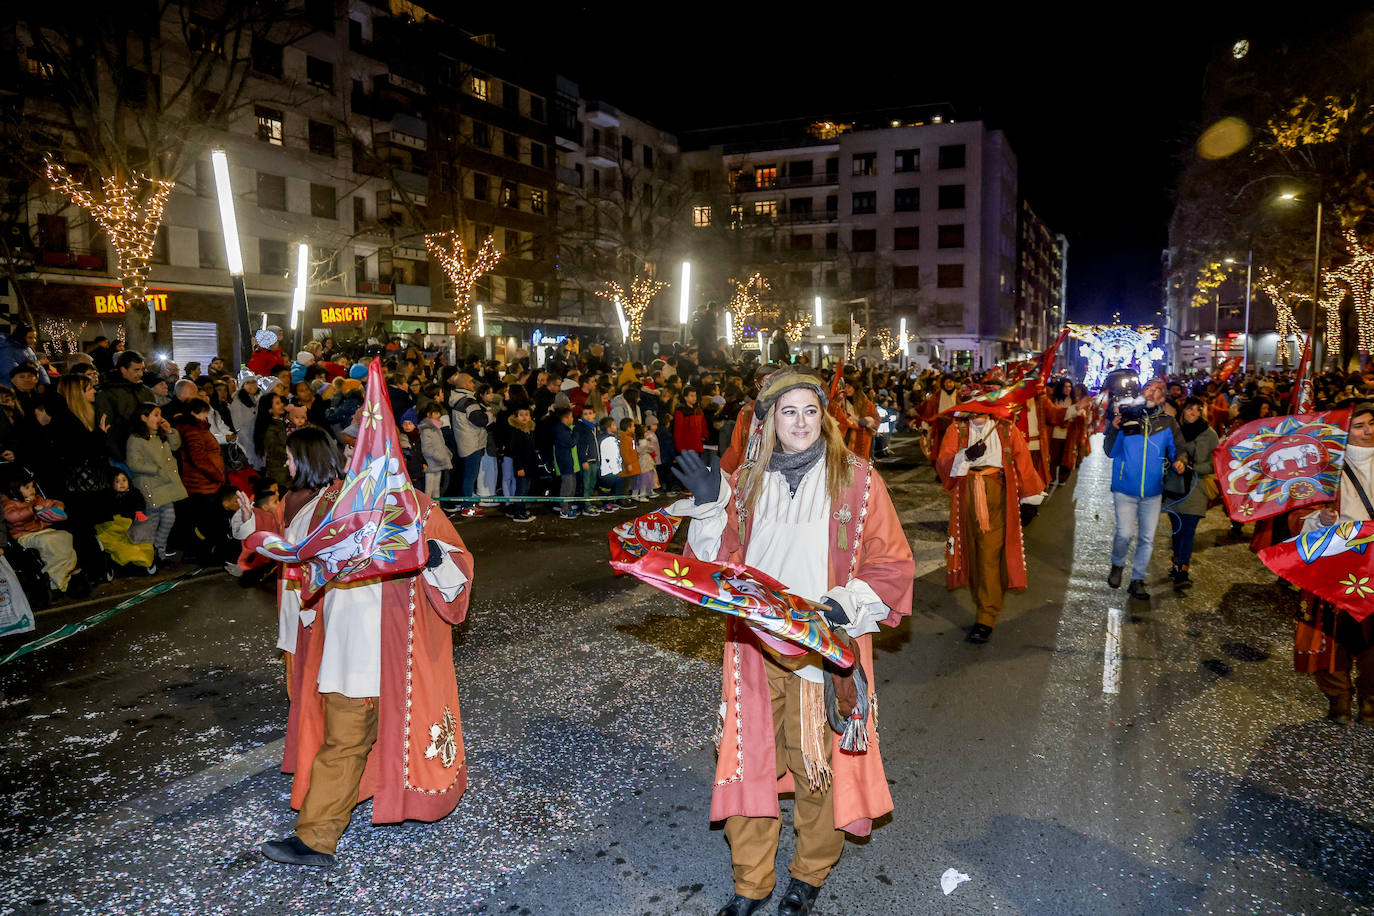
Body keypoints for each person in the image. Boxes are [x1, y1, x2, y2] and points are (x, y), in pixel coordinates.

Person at [670, 366, 913, 916]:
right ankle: (750, 883)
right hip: (754, 647)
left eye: (810, 411)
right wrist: (709, 508)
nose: (801, 422)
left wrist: (843, 604)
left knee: (816, 769)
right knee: (748, 762)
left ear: (824, 417)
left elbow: (891, 563)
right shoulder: (746, 483)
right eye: (788, 412)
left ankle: (808, 874)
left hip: (820, 648)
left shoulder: (857, 479)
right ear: (768, 420)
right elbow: (717, 568)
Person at [254, 426, 476, 866]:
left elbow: (459, 568)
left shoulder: (418, 507)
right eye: (352, 448)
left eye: (365, 447)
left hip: (394, 654)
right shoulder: (330, 505)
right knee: (344, 740)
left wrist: (431, 554)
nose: (357, 455)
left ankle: (323, 833)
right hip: (343, 649)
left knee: (368, 739)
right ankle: (317, 837)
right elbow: (297, 555)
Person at [936, 404, 1046, 643]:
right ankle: (984, 602)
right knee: (973, 554)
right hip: (967, 498)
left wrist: (1029, 498)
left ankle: (986, 616)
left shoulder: (1006, 429)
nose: (978, 412)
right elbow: (943, 462)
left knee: (989, 555)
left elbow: (1023, 462)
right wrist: (966, 455)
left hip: (997, 497)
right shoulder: (957, 430)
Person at [1294, 402, 1374, 724]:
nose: (1368, 431)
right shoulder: (1324, 468)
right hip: (1334, 561)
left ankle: (1370, 698)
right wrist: (1319, 518)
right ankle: (1338, 696)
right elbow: (1297, 516)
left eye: (1372, 423)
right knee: (1331, 633)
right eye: (1359, 425)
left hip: (1373, 563)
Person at [1108, 378, 1185, 600]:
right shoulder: (1125, 416)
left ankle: (1138, 580)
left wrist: (1180, 460)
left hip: (1153, 491)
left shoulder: (1168, 423)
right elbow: (1110, 452)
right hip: (1124, 488)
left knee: (1147, 539)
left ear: (1163, 398)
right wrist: (1114, 429)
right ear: (1141, 392)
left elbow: (1178, 448)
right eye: (1148, 388)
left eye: (1158, 390)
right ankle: (1117, 564)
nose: (1152, 392)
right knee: (1124, 534)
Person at [1163, 397, 1219, 590]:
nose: (1193, 412)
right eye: (1189, 408)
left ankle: (1183, 570)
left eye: (1197, 409)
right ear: (1184, 410)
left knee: (1188, 530)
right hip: (1174, 485)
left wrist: (1194, 468)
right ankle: (1176, 561)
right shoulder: (1174, 430)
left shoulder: (1210, 434)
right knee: (1177, 529)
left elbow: (1215, 463)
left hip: (1197, 487)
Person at [2, 470, 84, 597]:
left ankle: (65, 569)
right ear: (15, 490)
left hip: (43, 531)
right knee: (48, 541)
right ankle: (56, 575)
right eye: (27, 487)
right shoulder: (10, 503)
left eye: (32, 486)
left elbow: (52, 502)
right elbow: (11, 516)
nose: (32, 490)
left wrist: (57, 507)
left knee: (65, 536)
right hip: (24, 535)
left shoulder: (37, 499)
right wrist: (31, 510)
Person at [126, 402, 187, 564]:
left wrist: (170, 431)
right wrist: (156, 469)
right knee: (152, 520)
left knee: (169, 517)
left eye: (160, 414)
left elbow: (175, 445)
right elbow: (133, 463)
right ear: (143, 418)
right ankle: (151, 552)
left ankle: (160, 549)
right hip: (150, 483)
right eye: (156, 415)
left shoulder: (159, 435)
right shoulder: (136, 439)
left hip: (164, 484)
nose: (160, 418)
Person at [94, 350, 153, 464]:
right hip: (123, 454)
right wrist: (120, 457)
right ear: (123, 370)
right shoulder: (108, 394)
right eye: (136, 370)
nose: (141, 374)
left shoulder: (145, 391)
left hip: (148, 451)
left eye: (142, 369)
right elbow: (108, 428)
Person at [254, 392, 290, 490]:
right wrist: (294, 453)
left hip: (285, 468)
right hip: (280, 472)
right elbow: (275, 450)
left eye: (281, 402)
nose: (282, 405)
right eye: (277, 403)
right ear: (270, 409)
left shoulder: (281, 422)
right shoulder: (270, 429)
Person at [419, 402, 451, 499]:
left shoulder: (436, 428)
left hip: (437, 463)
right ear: (429, 414)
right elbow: (426, 448)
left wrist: (448, 454)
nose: (439, 415)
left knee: (436, 490)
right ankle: (428, 508)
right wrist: (440, 457)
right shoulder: (426, 429)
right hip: (431, 464)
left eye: (439, 413)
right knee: (429, 490)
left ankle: (436, 507)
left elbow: (441, 444)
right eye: (436, 413)